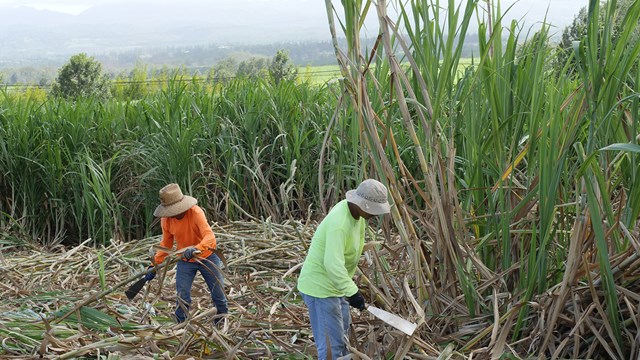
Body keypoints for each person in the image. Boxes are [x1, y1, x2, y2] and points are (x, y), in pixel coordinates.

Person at [297, 179, 391, 360]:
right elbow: (332, 264)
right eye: (372, 209)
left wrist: (348, 289)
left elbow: (354, 246)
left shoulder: (358, 215)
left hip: (337, 286)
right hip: (320, 288)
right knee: (332, 347)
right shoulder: (339, 224)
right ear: (361, 204)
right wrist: (353, 292)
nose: (375, 214)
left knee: (343, 339)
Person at [144, 183, 228, 324]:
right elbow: (166, 244)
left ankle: (221, 320)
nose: (173, 213)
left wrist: (196, 248)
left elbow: (210, 237)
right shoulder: (166, 219)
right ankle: (181, 324)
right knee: (182, 295)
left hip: (207, 256)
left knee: (218, 293)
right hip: (185, 260)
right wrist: (154, 265)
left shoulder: (196, 213)